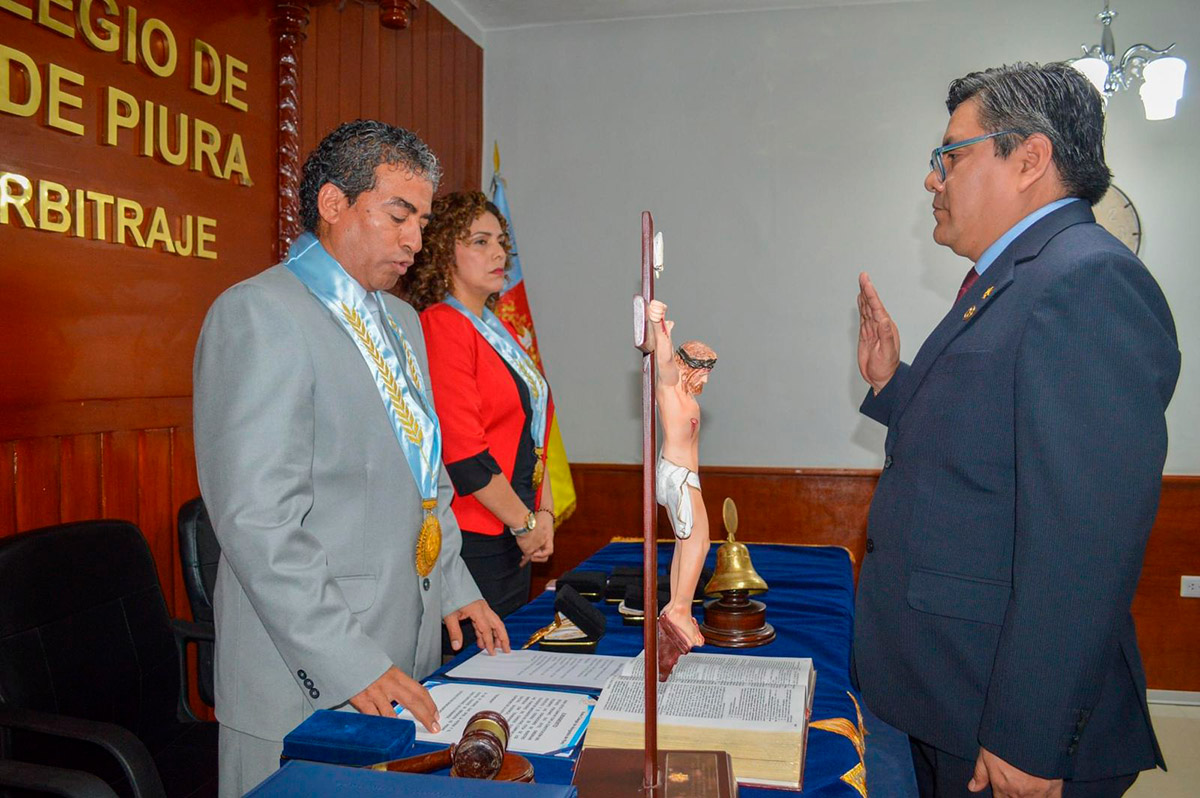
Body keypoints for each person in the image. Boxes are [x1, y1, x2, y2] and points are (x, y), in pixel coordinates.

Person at [853, 63, 1179, 798]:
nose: (933, 179)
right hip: (952, 688)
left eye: (950, 155)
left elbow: (1085, 535)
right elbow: (986, 450)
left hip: (1005, 719)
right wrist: (892, 382)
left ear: (1029, 158)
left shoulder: (1086, 280)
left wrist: (1029, 735)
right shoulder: (1018, 278)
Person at [194, 121, 509, 797]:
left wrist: (454, 584)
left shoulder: (400, 322)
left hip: (404, 645)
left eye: (422, 220)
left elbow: (425, 474)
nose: (415, 239)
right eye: (399, 215)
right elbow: (258, 521)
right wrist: (349, 660)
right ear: (334, 203)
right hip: (306, 673)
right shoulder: (259, 313)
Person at [401, 191, 555, 647]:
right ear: (443, 251)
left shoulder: (496, 327)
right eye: (480, 242)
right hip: (476, 536)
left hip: (514, 526)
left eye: (501, 242)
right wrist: (525, 524)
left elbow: (531, 433)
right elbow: (464, 453)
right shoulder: (442, 325)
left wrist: (542, 514)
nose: (499, 254)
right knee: (480, 667)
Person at [646, 298, 714, 652]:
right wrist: (660, 328)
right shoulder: (671, 387)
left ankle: (676, 607)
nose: (706, 378)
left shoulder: (688, 397)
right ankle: (680, 611)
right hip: (677, 476)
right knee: (698, 542)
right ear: (688, 367)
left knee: (687, 542)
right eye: (703, 371)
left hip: (686, 477)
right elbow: (664, 362)